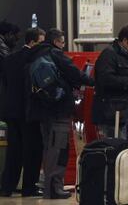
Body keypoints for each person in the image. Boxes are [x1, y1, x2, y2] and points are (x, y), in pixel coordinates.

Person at [26, 28, 94, 199]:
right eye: (63, 42)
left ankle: (50, 186)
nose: (63, 46)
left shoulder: (35, 54)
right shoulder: (55, 53)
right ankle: (54, 188)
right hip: (58, 109)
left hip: (43, 109)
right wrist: (92, 81)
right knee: (59, 148)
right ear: (57, 41)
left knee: (49, 148)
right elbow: (75, 73)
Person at [0, 28, 45, 197]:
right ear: (33, 42)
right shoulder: (35, 58)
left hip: (11, 111)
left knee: (14, 151)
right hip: (28, 111)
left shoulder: (9, 59)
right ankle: (29, 187)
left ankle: (7, 186)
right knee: (32, 150)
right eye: (41, 42)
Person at [92, 25, 128, 140]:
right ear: (125, 41)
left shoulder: (125, 56)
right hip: (111, 115)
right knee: (115, 153)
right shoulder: (109, 55)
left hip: (123, 114)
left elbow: (121, 81)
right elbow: (106, 80)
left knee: (122, 153)